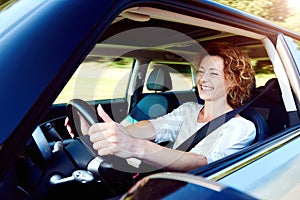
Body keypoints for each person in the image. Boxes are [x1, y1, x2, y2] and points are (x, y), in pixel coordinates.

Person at [66, 42, 256, 172]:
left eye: (213, 74)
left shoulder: (242, 128)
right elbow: (152, 127)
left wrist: (134, 146)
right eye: (201, 71)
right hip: (159, 180)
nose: (203, 79)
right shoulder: (188, 109)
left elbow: (202, 162)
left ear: (233, 81)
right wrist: (104, 133)